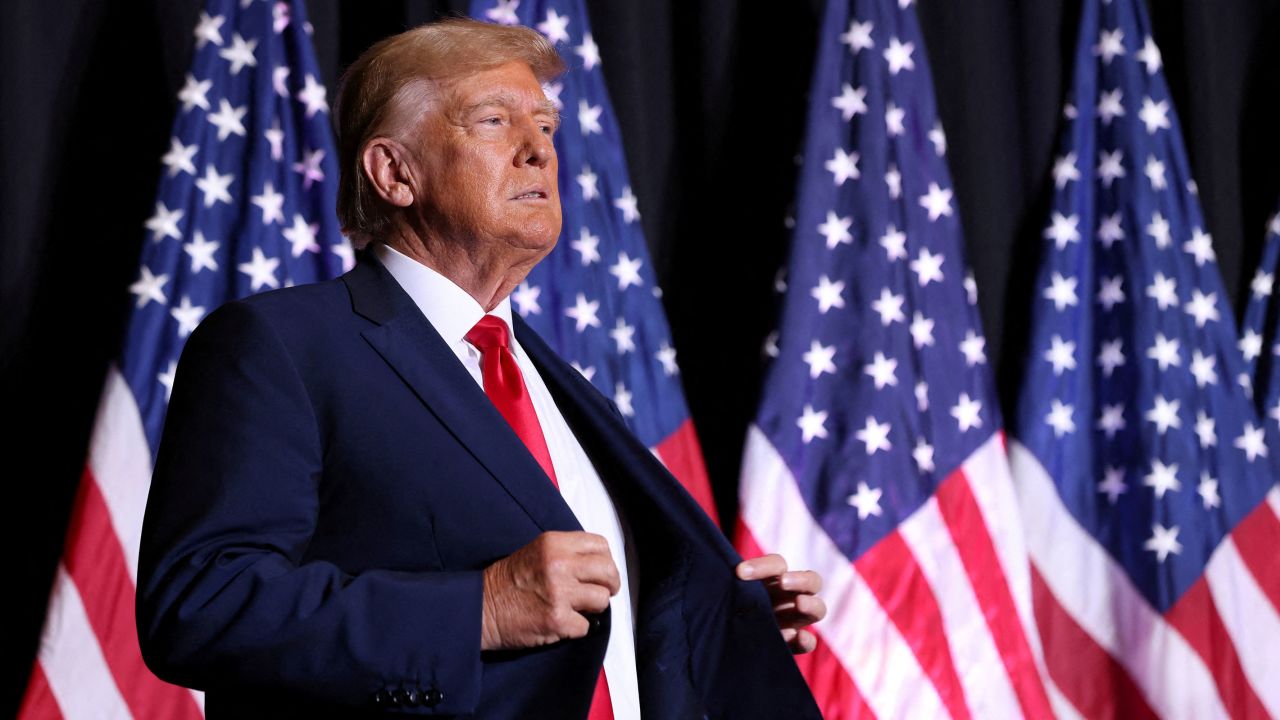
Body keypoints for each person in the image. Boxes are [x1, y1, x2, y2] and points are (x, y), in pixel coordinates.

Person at [137, 17, 824, 719]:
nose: (539, 152)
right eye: (495, 121)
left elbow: (586, 634)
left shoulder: (556, 383)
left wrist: (705, 617)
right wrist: (478, 611)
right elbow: (200, 606)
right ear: (394, 172)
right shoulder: (283, 345)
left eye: (548, 128)